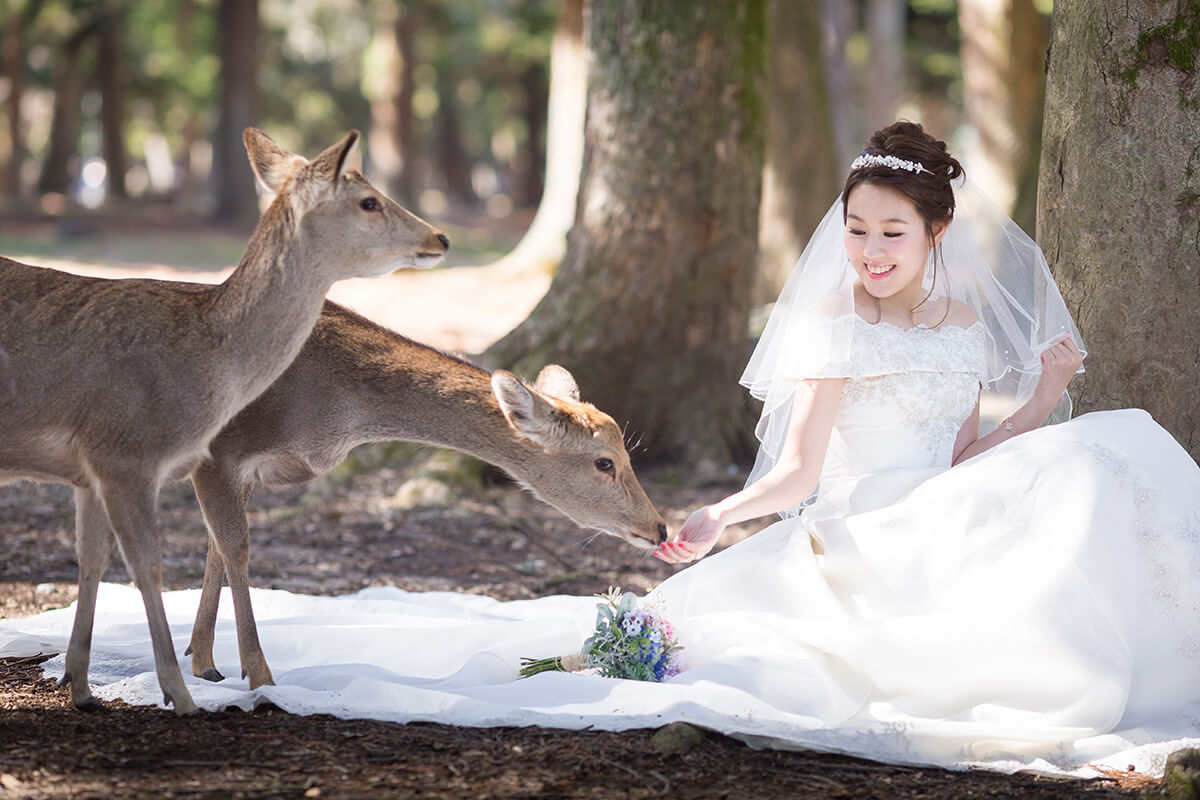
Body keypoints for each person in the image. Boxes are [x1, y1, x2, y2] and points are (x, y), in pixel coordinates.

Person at [2, 122, 1197, 778]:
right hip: (855, 536)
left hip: (935, 514)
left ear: (936, 234)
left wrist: (1038, 398)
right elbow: (794, 470)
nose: (871, 252)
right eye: (857, 232)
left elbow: (963, 453)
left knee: (1100, 454)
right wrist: (716, 519)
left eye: (892, 233)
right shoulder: (833, 328)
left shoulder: (950, 326)